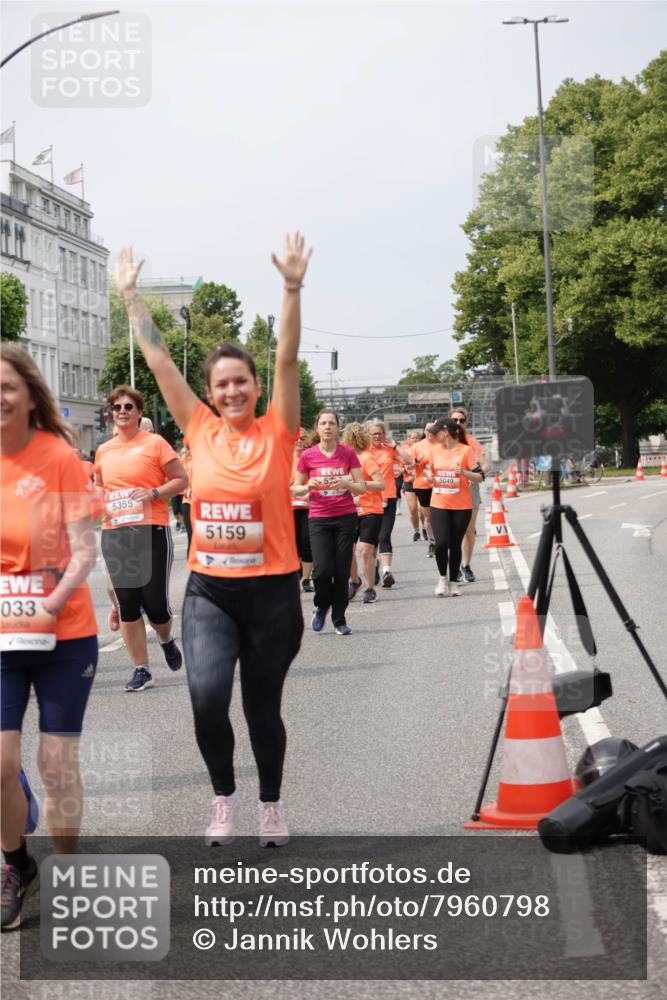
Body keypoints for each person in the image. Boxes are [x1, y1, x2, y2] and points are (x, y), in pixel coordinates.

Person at [115, 232, 312, 847]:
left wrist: (291, 287)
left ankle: (271, 804)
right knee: (205, 698)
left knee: (261, 709)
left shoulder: (279, 432)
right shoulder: (197, 428)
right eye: (221, 384)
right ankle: (224, 796)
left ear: (256, 386)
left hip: (272, 595)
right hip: (211, 594)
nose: (231, 391)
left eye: (241, 381)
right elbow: (159, 363)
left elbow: (287, 358)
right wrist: (132, 299)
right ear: (209, 392)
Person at [1, 343, 98, 930]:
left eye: (8, 387)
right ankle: (16, 864)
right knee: (0, 763)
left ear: (30, 396)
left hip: (65, 631)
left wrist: (51, 601)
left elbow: (85, 549)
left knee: (56, 763)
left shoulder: (58, 457)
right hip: (1, 635)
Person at [95, 386, 188, 691]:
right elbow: (100, 486)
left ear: (138, 412)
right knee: (128, 604)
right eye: (117, 407)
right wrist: (97, 500)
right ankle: (142, 669)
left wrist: (153, 493)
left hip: (151, 529)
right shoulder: (104, 450)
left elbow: (181, 480)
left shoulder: (155, 443)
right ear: (112, 413)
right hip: (115, 532)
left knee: (155, 604)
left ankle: (165, 638)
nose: (122, 411)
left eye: (128, 407)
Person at [293, 410, 365, 635]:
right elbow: (295, 488)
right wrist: (308, 486)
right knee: (323, 571)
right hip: (319, 518)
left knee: (341, 572)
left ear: (337, 427)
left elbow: (362, 486)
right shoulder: (308, 456)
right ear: (317, 427)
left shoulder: (347, 453)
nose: (327, 427)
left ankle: (339, 619)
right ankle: (321, 606)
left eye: (331, 423)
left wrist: (347, 483)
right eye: (323, 423)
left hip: (345, 517)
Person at [427, 416, 484, 597]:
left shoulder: (466, 451)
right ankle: (442, 578)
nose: (432, 435)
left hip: (461, 506)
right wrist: (430, 478)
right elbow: (432, 472)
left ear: (445, 432)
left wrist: (464, 472)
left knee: (454, 544)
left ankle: (453, 582)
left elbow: (480, 477)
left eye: (436, 432)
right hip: (439, 503)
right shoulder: (434, 451)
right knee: (441, 543)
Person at [342, 423, 385, 604]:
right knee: (347, 550)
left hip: (371, 510)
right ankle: (355, 581)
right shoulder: (343, 460)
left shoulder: (367, 458)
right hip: (349, 510)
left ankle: (370, 588)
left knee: (365, 550)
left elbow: (381, 484)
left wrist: (361, 484)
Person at [367, 421, 412, 588]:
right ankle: (373, 565)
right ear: (368, 436)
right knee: (371, 540)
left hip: (388, 497)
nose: (377, 436)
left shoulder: (389, 450)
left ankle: (386, 572)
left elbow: (408, 461)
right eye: (374, 434)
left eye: (380, 433)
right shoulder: (363, 452)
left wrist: (395, 446)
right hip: (368, 499)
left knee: (384, 536)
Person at [449, 407, 490, 583]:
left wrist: (477, 476)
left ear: (466, 422)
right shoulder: (443, 441)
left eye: (462, 420)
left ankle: (465, 565)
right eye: (454, 420)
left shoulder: (472, 442)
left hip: (469, 489)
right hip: (449, 489)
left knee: (468, 529)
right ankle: (454, 564)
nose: (458, 423)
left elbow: (486, 465)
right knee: (451, 531)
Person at [409, 421, 438, 555]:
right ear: (424, 432)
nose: (430, 432)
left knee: (440, 515)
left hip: (441, 484)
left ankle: (442, 541)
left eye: (433, 429)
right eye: (428, 429)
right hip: (423, 485)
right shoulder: (417, 446)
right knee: (428, 516)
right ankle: (432, 543)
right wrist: (416, 461)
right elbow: (407, 466)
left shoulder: (442, 443)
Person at [290, 430, 314, 592]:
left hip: (307, 506)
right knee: (293, 543)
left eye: (302, 438)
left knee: (306, 541)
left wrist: (307, 489)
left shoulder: (310, 458)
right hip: (288, 507)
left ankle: (306, 579)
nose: (299, 441)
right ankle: (294, 575)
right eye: (296, 438)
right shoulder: (284, 458)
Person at [401, 429, 426, 542]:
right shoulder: (404, 452)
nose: (415, 439)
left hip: (421, 482)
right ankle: (416, 531)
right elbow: (399, 468)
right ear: (408, 440)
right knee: (413, 509)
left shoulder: (423, 450)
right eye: (413, 438)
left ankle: (425, 528)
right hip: (409, 483)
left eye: (417, 438)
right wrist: (407, 473)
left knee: (422, 509)